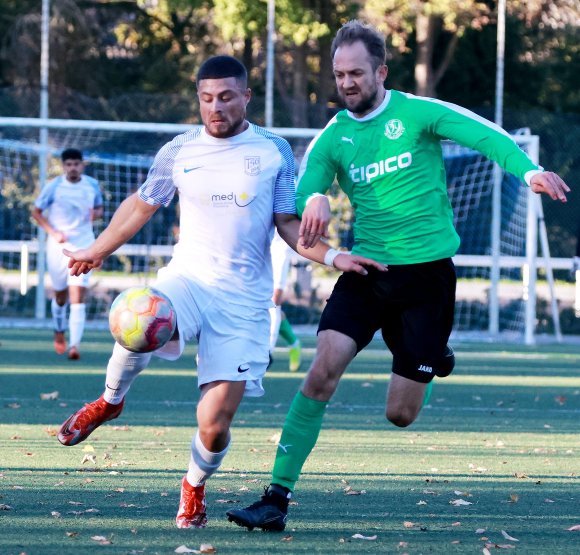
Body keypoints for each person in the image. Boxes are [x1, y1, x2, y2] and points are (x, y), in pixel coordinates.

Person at [226, 19, 571, 532]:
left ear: (381, 71)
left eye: (357, 73)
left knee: (400, 415)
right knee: (322, 369)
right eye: (339, 74)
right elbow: (301, 198)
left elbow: (484, 136)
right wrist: (316, 196)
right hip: (368, 272)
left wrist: (527, 171)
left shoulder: (417, 113)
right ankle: (275, 497)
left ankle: (435, 353)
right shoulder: (335, 137)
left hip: (428, 279)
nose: (346, 83)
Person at [55, 55, 385, 530]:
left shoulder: (272, 151)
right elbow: (141, 204)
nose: (216, 107)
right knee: (136, 316)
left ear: (246, 97)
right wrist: (97, 249)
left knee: (214, 423)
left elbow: (288, 226)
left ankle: (193, 484)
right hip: (187, 279)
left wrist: (334, 258)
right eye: (207, 98)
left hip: (244, 302)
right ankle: (110, 399)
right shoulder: (180, 150)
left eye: (227, 97)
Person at [31, 148, 103, 360]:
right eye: (68, 164)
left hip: (84, 244)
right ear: (64, 167)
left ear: (82, 165)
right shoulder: (54, 187)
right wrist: (53, 232)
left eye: (76, 164)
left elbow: (98, 208)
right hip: (58, 246)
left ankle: (74, 345)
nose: (73, 168)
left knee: (78, 294)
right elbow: (36, 211)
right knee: (60, 295)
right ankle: (59, 329)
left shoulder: (91, 185)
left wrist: (96, 214)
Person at [269, 230, 302, 372]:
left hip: (279, 244)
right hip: (256, 242)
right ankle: (294, 343)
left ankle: (267, 352)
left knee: (273, 302)